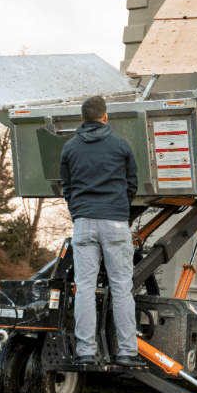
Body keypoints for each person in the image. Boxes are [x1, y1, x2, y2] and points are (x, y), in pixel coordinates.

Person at [59, 95, 142, 367]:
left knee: (84, 287)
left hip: (84, 222)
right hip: (115, 222)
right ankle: (127, 352)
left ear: (82, 118)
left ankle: (86, 352)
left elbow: (67, 187)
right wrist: (118, 209)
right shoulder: (120, 144)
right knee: (121, 288)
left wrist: (79, 212)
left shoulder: (70, 147)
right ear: (105, 117)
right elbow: (132, 183)